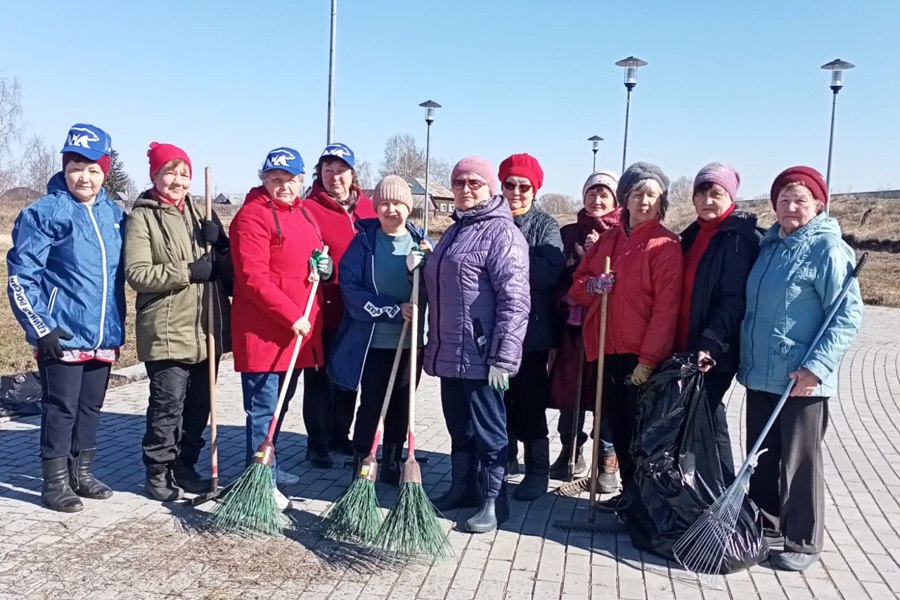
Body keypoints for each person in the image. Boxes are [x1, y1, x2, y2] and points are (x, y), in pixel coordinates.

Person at [739, 166, 862, 571]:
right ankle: (767, 526)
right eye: (784, 199)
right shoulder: (770, 247)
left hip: (801, 378)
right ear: (774, 204)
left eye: (801, 200)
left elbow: (847, 315)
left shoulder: (828, 249)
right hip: (761, 373)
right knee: (763, 457)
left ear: (818, 204)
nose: (791, 207)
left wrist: (816, 367)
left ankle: (803, 540)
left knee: (799, 461)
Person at [7, 123, 126, 512]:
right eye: (76, 167)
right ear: (64, 167)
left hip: (102, 333)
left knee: (91, 407)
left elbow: (118, 277)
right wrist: (41, 327)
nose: (84, 177)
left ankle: (82, 472)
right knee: (61, 408)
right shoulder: (45, 212)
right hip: (62, 332)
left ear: (104, 171)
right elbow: (22, 277)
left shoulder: (114, 215)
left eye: (93, 169)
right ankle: (54, 482)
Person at [424, 156, 530, 533]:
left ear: (490, 188)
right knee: (459, 426)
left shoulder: (502, 233)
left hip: (483, 354)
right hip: (450, 351)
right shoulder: (455, 230)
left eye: (474, 183)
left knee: (489, 430)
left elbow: (515, 301)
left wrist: (503, 356)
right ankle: (461, 488)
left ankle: (493, 501)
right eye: (458, 183)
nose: (465, 189)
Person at [569, 162, 683, 513]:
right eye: (637, 194)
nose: (644, 201)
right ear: (626, 199)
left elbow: (666, 309)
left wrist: (649, 360)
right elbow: (577, 285)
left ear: (661, 201)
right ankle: (630, 496)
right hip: (608, 348)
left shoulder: (666, 245)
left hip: (640, 355)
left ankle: (644, 500)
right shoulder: (609, 240)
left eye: (652, 195)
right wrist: (593, 286)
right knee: (616, 426)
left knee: (640, 434)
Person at [125, 142, 232, 501]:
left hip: (206, 328)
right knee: (167, 405)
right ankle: (157, 472)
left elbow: (226, 267)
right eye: (169, 172)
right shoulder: (144, 216)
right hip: (167, 328)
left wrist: (221, 244)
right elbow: (137, 273)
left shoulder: (200, 211)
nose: (178, 180)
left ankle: (186, 466)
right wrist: (187, 271)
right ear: (155, 175)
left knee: (200, 405)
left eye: (183, 173)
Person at [230, 147, 333, 512]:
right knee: (262, 409)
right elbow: (252, 278)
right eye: (276, 179)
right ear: (264, 179)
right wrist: (291, 315)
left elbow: (313, 255)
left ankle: (270, 465)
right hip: (265, 333)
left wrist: (322, 265)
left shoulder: (303, 213)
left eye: (291, 180)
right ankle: (258, 478)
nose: (284, 186)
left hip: (295, 333)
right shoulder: (251, 218)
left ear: (303, 181)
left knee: (279, 406)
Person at [328, 176, 431, 485]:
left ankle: (393, 462)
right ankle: (363, 461)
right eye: (384, 203)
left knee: (402, 403)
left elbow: (440, 288)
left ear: (408, 207)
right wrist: (393, 308)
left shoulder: (421, 244)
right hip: (374, 341)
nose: (391, 209)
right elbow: (351, 289)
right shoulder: (363, 244)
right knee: (373, 403)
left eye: (398, 203)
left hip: (411, 340)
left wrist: (427, 267)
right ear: (376, 207)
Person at [676, 163, 761, 480]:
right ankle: (696, 491)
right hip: (686, 345)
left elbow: (733, 298)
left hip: (713, 348)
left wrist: (710, 341)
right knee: (693, 419)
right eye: (702, 193)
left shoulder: (739, 239)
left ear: (732, 197)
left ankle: (723, 494)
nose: (708, 200)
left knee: (708, 418)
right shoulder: (693, 234)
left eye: (717, 193)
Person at [302, 144, 377, 468]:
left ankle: (339, 436)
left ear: (352, 174)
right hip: (322, 311)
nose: (335, 177)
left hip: (357, 312)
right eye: (328, 170)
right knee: (319, 381)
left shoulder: (368, 209)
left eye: (341, 170)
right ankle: (317, 443)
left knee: (348, 378)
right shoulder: (309, 208)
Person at [548, 170, 621, 493]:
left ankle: (606, 460)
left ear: (615, 200)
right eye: (592, 193)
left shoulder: (622, 233)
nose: (597, 199)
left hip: (609, 329)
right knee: (571, 392)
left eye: (605, 194)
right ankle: (570, 449)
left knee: (605, 396)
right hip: (573, 328)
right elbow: (558, 278)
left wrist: (601, 252)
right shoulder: (568, 234)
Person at [497, 153, 564, 500]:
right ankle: (503, 459)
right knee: (499, 401)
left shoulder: (545, 226)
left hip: (532, 335)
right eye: (510, 185)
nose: (517, 192)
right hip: (494, 332)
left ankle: (537, 469)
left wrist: (512, 256)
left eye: (524, 186)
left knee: (530, 403)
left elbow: (549, 273)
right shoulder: (491, 220)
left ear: (535, 190)